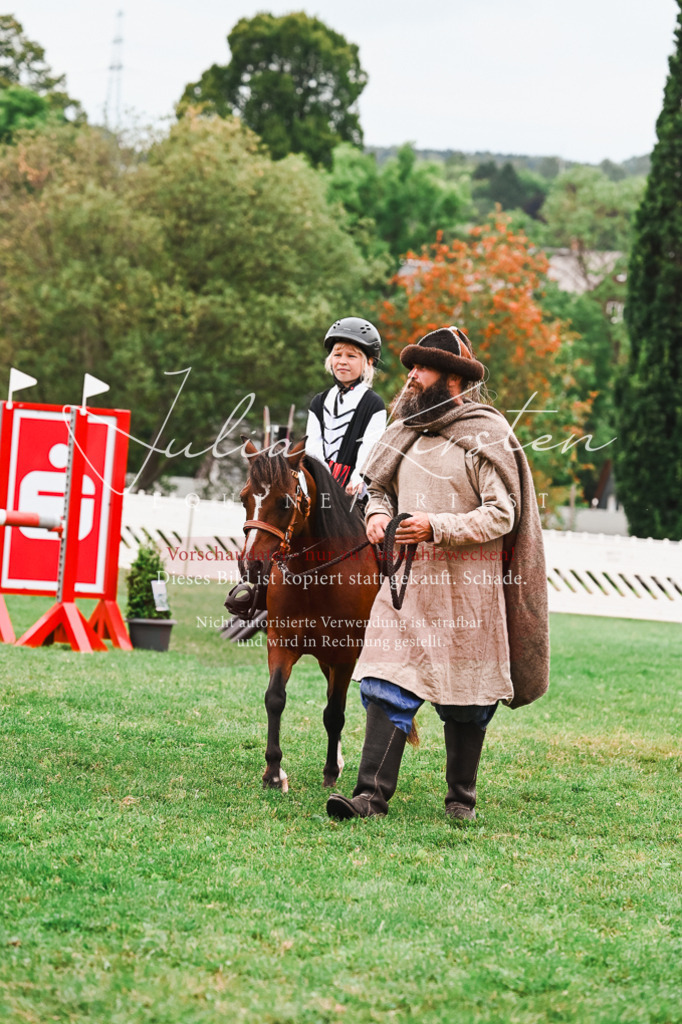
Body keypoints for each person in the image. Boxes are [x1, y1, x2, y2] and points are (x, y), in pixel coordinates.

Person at [326, 326, 550, 822]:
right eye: (411, 366)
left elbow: (503, 513)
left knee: (467, 699)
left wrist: (436, 527)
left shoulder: (486, 435)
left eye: (422, 368)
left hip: (468, 593)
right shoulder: (403, 430)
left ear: (451, 378)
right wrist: (377, 515)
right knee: (386, 679)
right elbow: (378, 489)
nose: (411, 376)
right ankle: (369, 797)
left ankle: (460, 799)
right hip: (405, 589)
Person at [305, 317, 386, 498]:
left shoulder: (374, 404)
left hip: (355, 489)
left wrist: (358, 477)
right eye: (337, 355)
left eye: (351, 356)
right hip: (320, 483)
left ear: (368, 362)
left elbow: (370, 446)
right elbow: (313, 447)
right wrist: (324, 480)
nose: (342, 361)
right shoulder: (318, 402)